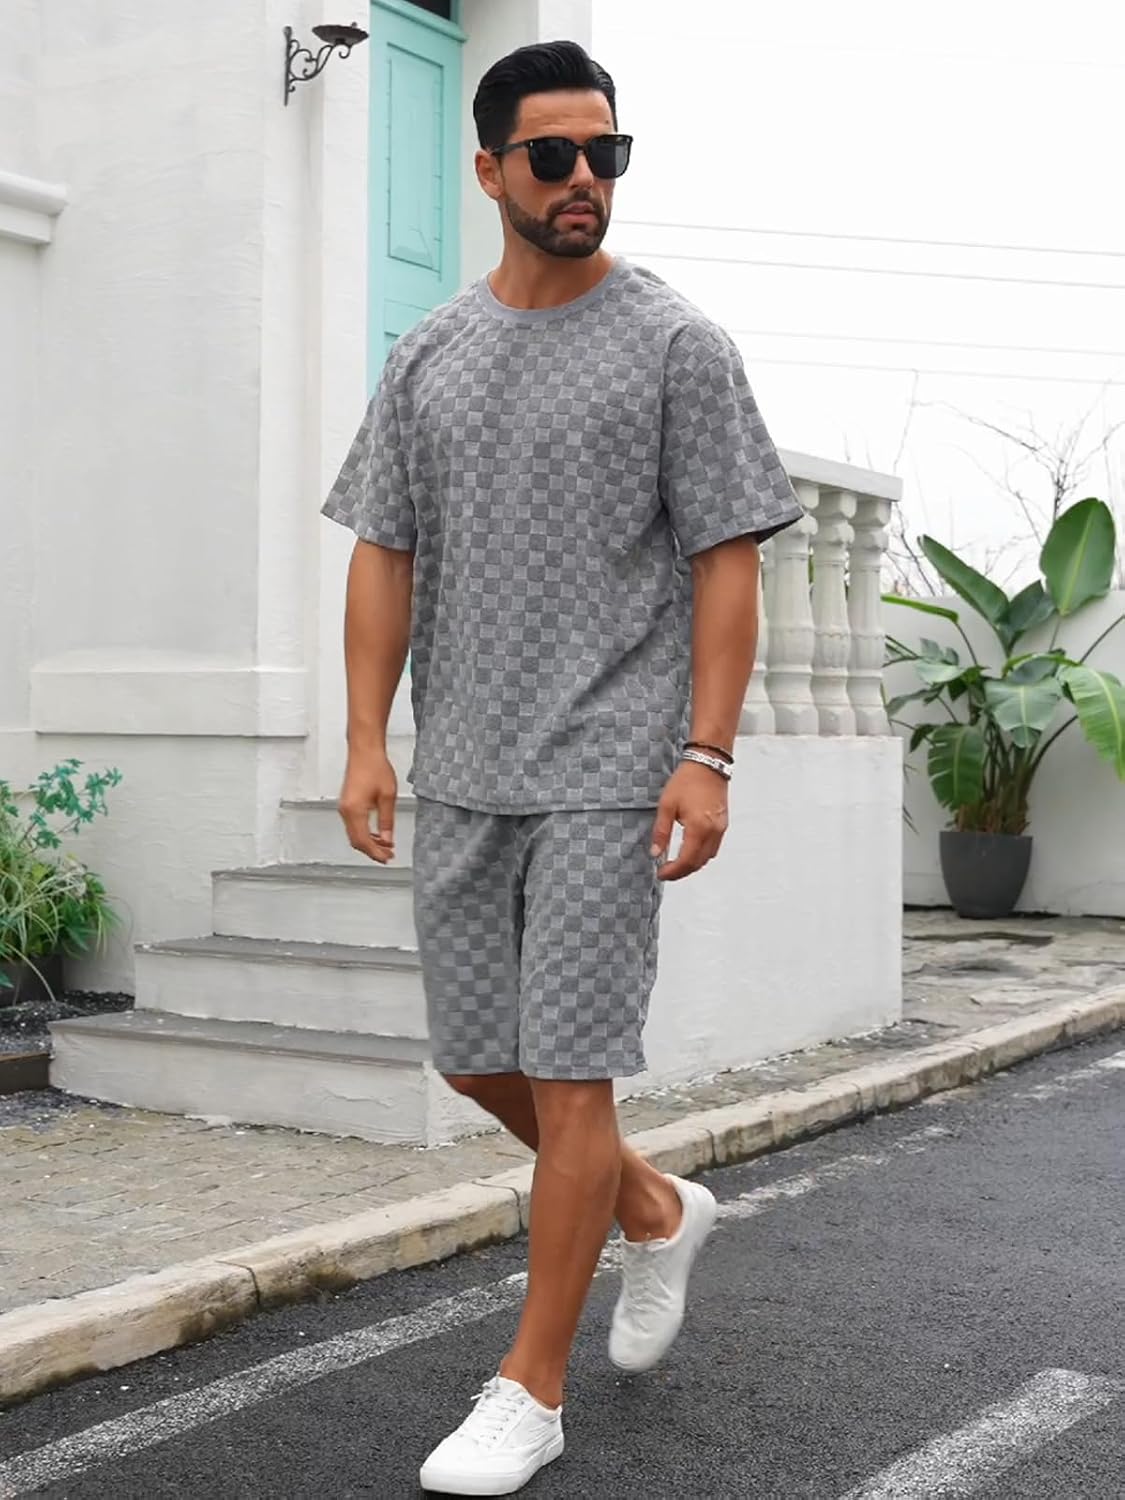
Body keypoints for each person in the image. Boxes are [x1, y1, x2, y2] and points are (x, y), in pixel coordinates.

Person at [321, 38, 804, 1497]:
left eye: (607, 153)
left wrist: (705, 753)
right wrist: (366, 735)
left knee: (570, 1076)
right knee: (477, 1060)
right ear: (490, 172)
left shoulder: (676, 346)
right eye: (554, 156)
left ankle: (529, 1388)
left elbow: (726, 561)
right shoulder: (430, 354)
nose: (585, 178)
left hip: (610, 765)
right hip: (466, 762)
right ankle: (654, 1210)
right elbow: (383, 553)